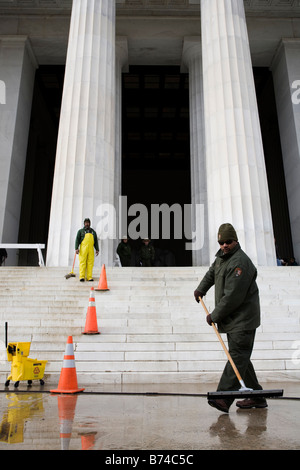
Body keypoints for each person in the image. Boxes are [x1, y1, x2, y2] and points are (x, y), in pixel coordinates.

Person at [194, 223, 266, 413]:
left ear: (236, 241)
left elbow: (233, 296)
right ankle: (257, 396)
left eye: (228, 241)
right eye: (221, 242)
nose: (224, 245)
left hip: (243, 319)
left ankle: (224, 397)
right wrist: (201, 288)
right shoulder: (222, 258)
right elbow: (212, 273)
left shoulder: (240, 262)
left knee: (238, 354)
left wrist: (214, 315)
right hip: (234, 320)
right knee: (241, 356)